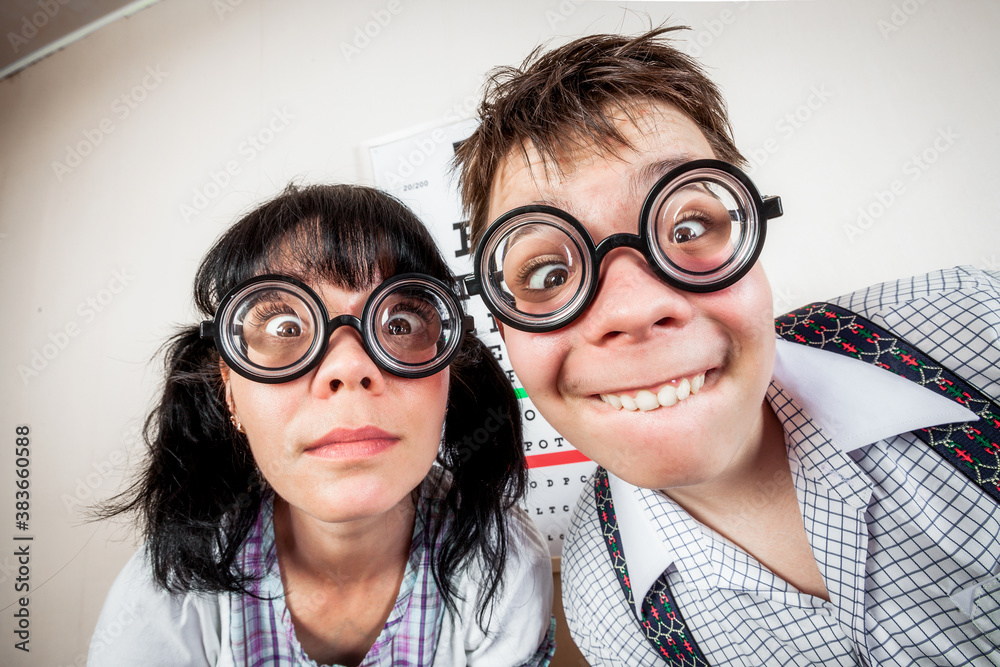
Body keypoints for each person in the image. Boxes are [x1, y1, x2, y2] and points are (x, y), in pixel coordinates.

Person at [453, 27, 1000, 666]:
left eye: (687, 226)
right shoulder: (608, 609)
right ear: (502, 328)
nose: (633, 308)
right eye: (548, 274)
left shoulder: (975, 326)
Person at [89, 184, 556, 666]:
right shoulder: (173, 587)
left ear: (447, 369)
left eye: (400, 324)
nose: (349, 367)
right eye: (285, 328)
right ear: (229, 389)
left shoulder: (505, 566)